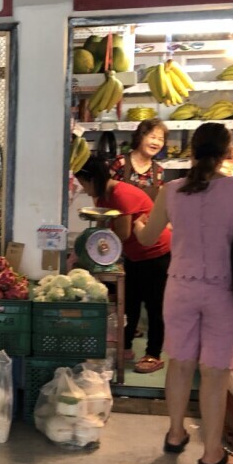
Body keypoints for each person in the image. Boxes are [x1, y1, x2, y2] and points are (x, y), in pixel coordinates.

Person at [135, 123, 233, 464]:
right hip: (226, 292)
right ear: (228, 150)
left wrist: (139, 225)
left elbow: (149, 237)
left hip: (180, 288)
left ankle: (175, 432)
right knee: (214, 372)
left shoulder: (171, 190)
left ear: (192, 151)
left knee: (179, 363)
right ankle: (212, 453)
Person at [74, 156, 171, 374]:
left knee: (155, 307)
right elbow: (101, 227)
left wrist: (100, 245)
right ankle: (124, 347)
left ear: (93, 179)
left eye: (83, 183)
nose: (84, 189)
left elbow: (123, 234)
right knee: (130, 304)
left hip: (156, 254)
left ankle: (154, 354)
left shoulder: (121, 195)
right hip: (134, 255)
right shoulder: (102, 197)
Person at [109, 118, 167, 199]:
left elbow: (160, 202)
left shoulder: (158, 171)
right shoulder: (121, 162)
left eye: (160, 139)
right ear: (140, 137)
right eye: (152, 137)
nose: (156, 143)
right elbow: (101, 191)